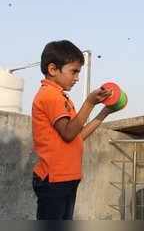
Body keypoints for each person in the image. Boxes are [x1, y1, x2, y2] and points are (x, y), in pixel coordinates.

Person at [31, 40, 120, 220]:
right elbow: (69, 133)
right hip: (54, 180)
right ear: (53, 69)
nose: (77, 77)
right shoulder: (49, 95)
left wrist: (104, 112)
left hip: (67, 178)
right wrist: (89, 103)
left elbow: (77, 137)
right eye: (74, 71)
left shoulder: (61, 98)